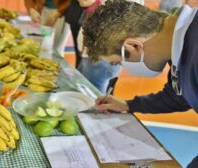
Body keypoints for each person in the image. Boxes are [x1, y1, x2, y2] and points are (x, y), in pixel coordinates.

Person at [82, 0, 197, 167]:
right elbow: (177, 95)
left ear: (134, 46)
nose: (122, 67)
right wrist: (129, 105)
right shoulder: (179, 44)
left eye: (118, 63)